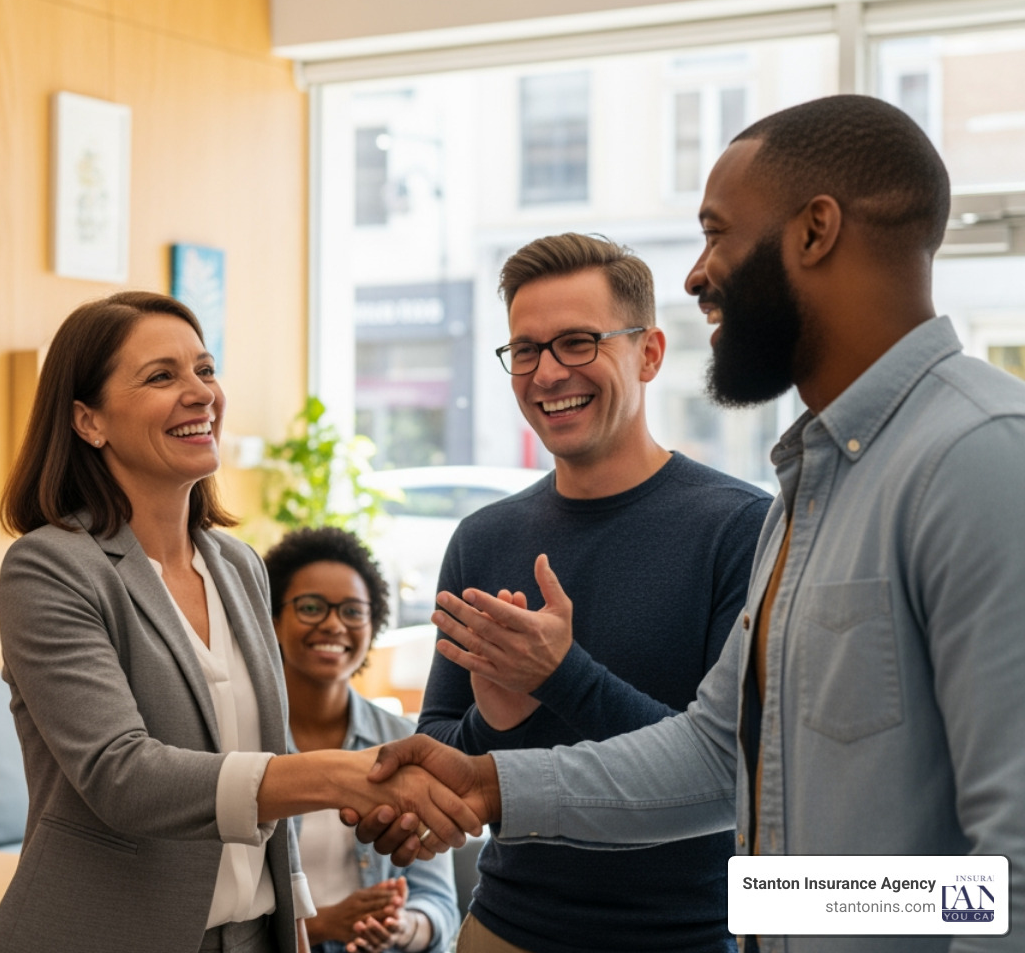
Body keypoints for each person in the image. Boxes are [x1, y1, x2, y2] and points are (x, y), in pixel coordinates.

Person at [358, 95, 1025, 953]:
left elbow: (1007, 875)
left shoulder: (981, 453)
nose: (696, 275)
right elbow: (718, 755)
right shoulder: (813, 484)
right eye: (526, 349)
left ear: (815, 231)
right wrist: (490, 783)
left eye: (717, 234)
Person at [0, 291, 481, 953]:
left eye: (205, 370)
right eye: (161, 376)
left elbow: (264, 764)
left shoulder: (238, 566)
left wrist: (292, 909)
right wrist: (340, 774)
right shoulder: (51, 567)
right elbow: (122, 775)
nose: (201, 394)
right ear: (88, 421)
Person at [409, 233, 768, 953]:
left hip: (686, 938)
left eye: (577, 342)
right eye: (525, 350)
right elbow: (439, 751)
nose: (547, 373)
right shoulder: (482, 538)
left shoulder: (742, 529)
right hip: (503, 927)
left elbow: (730, 772)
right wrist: (496, 720)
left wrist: (562, 678)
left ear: (650, 353)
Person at [265, 527, 459, 953]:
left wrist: (402, 927)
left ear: (373, 626)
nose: (334, 624)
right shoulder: (242, 741)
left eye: (353, 611)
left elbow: (440, 903)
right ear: (273, 620)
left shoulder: (406, 743)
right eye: (311, 607)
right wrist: (322, 925)